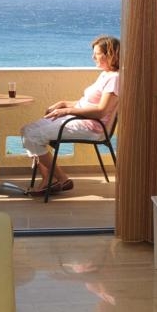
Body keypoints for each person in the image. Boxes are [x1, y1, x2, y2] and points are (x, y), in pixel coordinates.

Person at [21, 35, 120, 196]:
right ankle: (48, 179)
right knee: (27, 130)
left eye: (97, 53)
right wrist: (63, 103)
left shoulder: (115, 78)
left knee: (32, 136)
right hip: (80, 120)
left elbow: (101, 110)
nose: (93, 57)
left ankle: (62, 179)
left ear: (110, 55)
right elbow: (86, 103)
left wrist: (66, 111)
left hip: (92, 127)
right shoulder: (105, 74)